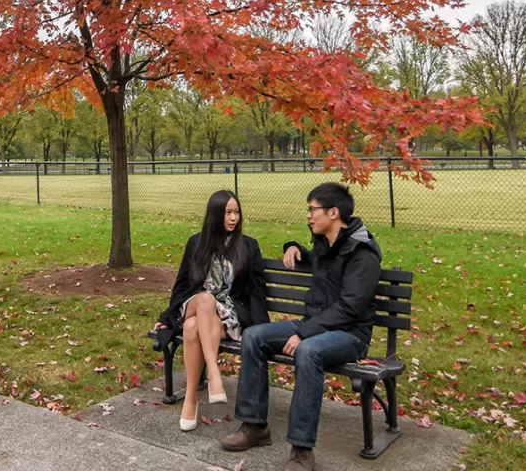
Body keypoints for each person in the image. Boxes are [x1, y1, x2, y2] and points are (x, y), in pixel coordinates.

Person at [220, 182, 382, 471]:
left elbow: (350, 308)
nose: (309, 215)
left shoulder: (363, 253)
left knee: (308, 351)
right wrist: (294, 247)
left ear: (333, 213)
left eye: (312, 210)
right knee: (254, 336)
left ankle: (302, 450)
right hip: (316, 324)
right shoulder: (327, 244)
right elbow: (319, 262)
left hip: (349, 335)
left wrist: (304, 333)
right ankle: (255, 426)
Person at [154, 190, 269, 432]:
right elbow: (182, 284)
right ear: (215, 214)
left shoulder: (248, 246)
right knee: (205, 299)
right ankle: (214, 375)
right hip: (195, 304)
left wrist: (261, 329)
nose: (233, 218)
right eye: (228, 212)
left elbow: (257, 292)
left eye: (237, 212)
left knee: (191, 327)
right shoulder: (197, 243)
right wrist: (167, 317)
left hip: (227, 316)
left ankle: (190, 399)